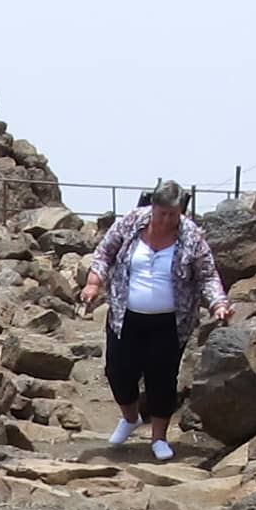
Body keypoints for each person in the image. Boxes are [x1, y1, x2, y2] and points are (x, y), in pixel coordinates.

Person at [77, 180, 231, 462]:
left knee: (162, 379)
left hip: (170, 322)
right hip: (126, 316)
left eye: (174, 214)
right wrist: (93, 283)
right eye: (163, 214)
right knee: (118, 372)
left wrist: (218, 303)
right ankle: (130, 418)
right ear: (153, 207)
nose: (168, 220)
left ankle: (159, 438)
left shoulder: (191, 236)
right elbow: (104, 253)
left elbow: (207, 275)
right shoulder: (132, 222)